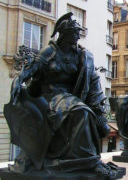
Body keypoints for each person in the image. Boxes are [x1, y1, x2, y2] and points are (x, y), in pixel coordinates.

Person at [8, 12, 118, 178]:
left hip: (70, 97)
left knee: (83, 110)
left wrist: (99, 110)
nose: (77, 37)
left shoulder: (81, 56)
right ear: (64, 34)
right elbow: (32, 69)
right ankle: (90, 162)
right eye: (74, 33)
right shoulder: (50, 52)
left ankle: (78, 161)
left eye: (77, 34)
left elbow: (93, 80)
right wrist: (18, 81)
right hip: (50, 96)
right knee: (81, 111)